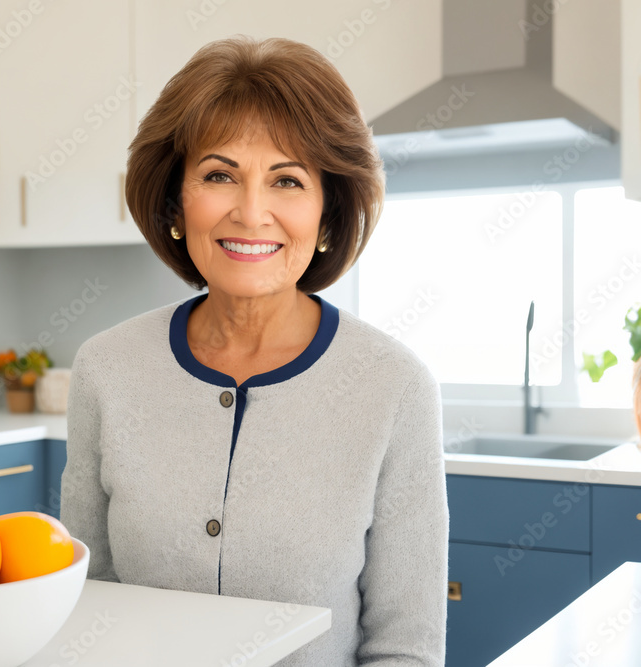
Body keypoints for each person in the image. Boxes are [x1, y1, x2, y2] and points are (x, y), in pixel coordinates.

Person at [60, 35, 448, 666]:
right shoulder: (106, 370)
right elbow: (88, 603)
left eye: (287, 180)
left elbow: (405, 648)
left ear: (327, 218)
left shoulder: (393, 387)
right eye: (219, 175)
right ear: (175, 204)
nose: (251, 211)